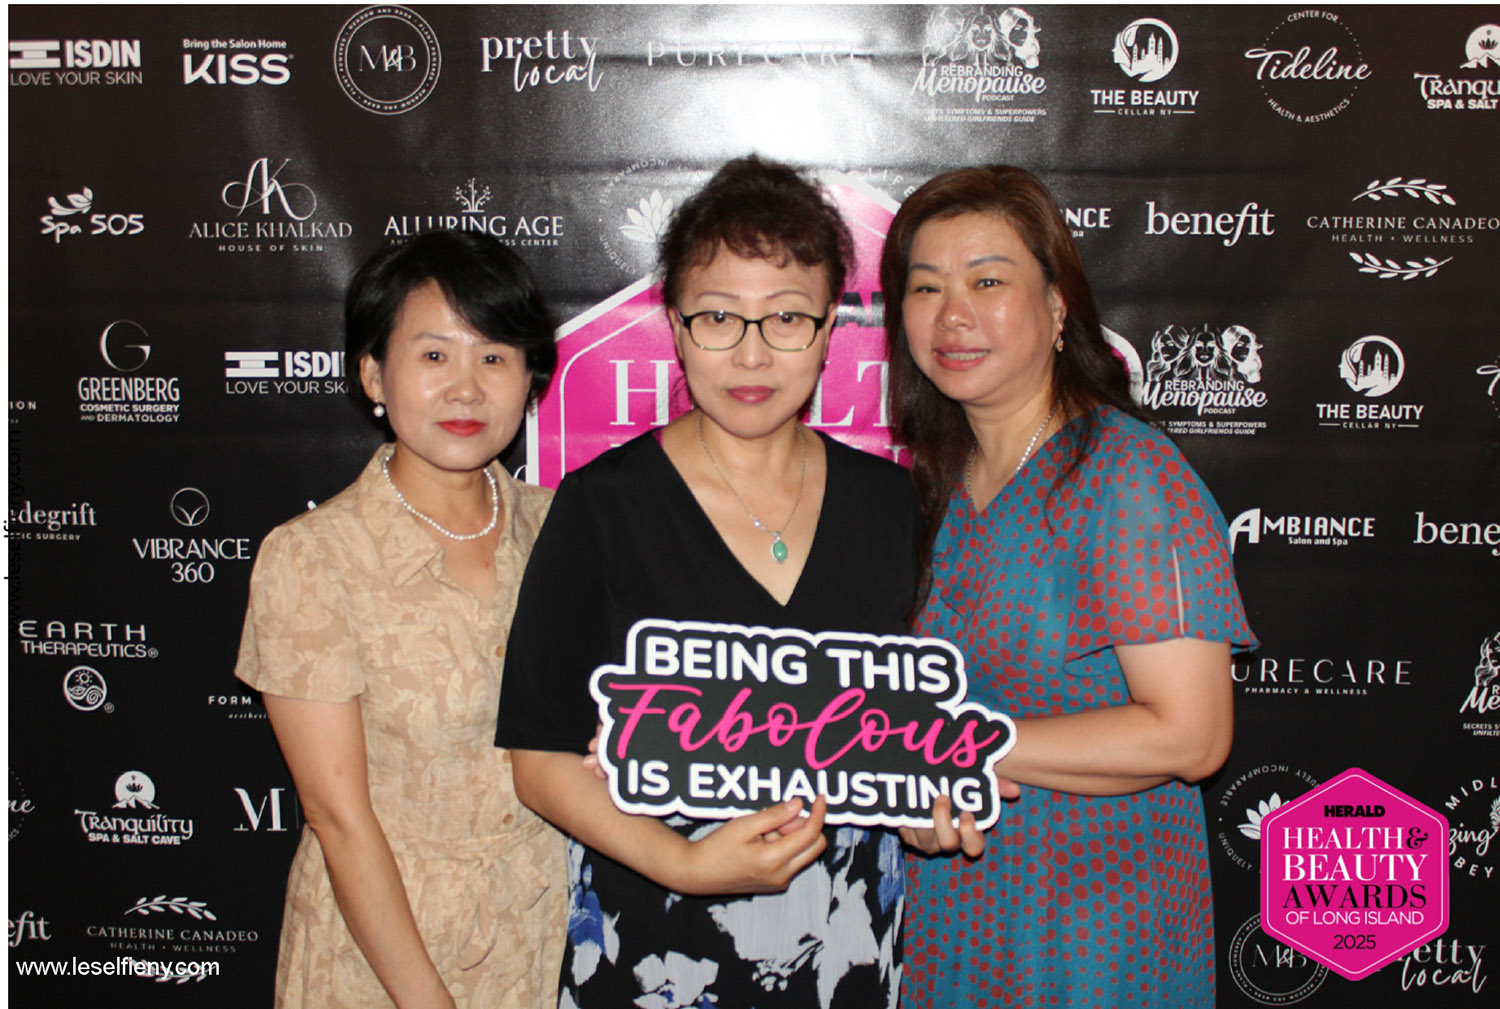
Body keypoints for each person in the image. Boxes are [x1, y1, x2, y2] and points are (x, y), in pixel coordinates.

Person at [496, 156, 915, 1009]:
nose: (752, 353)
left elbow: (911, 728)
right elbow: (539, 758)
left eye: (787, 317)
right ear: (677, 326)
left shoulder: (894, 505)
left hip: (844, 949)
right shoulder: (603, 505)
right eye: (719, 316)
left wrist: (933, 796)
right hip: (655, 946)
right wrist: (684, 862)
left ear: (830, 326)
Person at [882, 166, 1256, 1008]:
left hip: (1097, 924)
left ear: (1057, 309)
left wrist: (956, 748)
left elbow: (1192, 735)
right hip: (958, 911)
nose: (952, 314)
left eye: (987, 282)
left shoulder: (1126, 476)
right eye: (926, 286)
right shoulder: (935, 485)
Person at [236, 230, 566, 1009]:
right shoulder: (312, 558)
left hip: (538, 932)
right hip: (379, 958)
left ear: (529, 378)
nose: (466, 389)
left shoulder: (563, 529)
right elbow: (337, 816)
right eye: (434, 355)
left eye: (494, 356)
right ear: (373, 373)